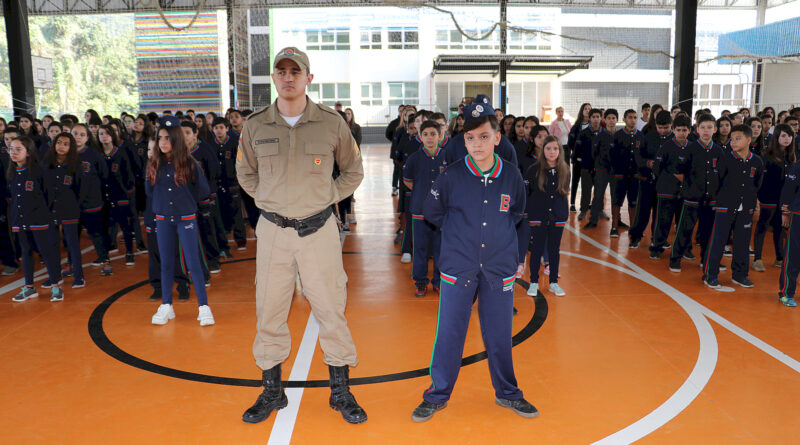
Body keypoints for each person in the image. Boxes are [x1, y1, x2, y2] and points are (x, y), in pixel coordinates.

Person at [237, 47, 367, 425]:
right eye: (282, 71)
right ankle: (272, 392)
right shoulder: (256, 125)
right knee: (269, 310)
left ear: (309, 78)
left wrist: (327, 197)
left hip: (319, 231)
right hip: (274, 232)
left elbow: (353, 171)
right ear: (274, 78)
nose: (289, 77)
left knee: (331, 309)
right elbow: (245, 173)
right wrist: (267, 199)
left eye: (297, 71)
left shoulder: (330, 123)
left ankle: (340, 391)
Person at [411, 101, 537, 423]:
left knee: (499, 335)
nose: (476, 144)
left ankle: (508, 393)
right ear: (462, 140)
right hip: (459, 269)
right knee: (450, 334)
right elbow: (432, 213)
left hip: (498, 270)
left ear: (497, 137)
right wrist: (458, 236)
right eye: (470, 138)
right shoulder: (451, 176)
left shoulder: (511, 175)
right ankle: (437, 394)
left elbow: (519, 215)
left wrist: (513, 255)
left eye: (483, 137)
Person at [147, 116, 214, 325]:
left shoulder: (189, 163)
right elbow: (149, 191)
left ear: (176, 139)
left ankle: (204, 307)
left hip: (186, 217)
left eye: (167, 138)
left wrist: (185, 202)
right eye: (160, 138)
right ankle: (167, 305)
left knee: (193, 262)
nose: (163, 142)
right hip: (163, 218)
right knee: (166, 262)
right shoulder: (154, 164)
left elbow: (202, 190)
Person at [703, 124, 764, 289]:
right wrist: (718, 202)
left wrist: (752, 202)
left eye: (738, 139)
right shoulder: (725, 159)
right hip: (725, 207)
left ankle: (740, 275)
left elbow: (757, 184)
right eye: (732, 139)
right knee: (718, 241)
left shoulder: (757, 162)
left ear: (749, 140)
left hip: (746, 208)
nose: (733, 142)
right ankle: (710, 275)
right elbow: (717, 182)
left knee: (743, 242)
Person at [8, 136, 64, 302]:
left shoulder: (40, 172)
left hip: (39, 220)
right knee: (26, 253)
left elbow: (50, 196)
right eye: (11, 149)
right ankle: (29, 287)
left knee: (46, 252)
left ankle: (55, 286)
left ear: (29, 152)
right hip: (19, 220)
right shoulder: (12, 173)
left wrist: (48, 217)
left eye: (18, 149)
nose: (14, 152)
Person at [668, 114, 723, 272]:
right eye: (703, 127)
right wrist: (690, 185)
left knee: (707, 232)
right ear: (697, 129)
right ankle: (675, 259)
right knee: (684, 230)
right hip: (691, 198)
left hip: (711, 200)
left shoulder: (718, 151)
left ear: (715, 129)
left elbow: (722, 174)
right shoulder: (690, 149)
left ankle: (705, 259)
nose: (706, 131)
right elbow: (678, 171)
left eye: (710, 127)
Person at [403, 120, 447, 297]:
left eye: (433, 134)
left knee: (440, 248)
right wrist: (424, 194)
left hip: (440, 212)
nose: (430, 138)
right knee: (420, 248)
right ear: (420, 137)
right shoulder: (414, 158)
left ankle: (438, 281)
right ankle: (421, 282)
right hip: (419, 211)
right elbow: (408, 181)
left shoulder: (446, 156)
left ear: (440, 136)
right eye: (426, 134)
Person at [525, 135, 569, 297]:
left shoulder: (565, 170)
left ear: (560, 150)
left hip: (557, 216)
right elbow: (527, 194)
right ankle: (534, 282)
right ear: (543, 150)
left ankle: (553, 283)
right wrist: (528, 214)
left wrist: (563, 215)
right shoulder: (533, 170)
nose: (552, 152)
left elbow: (564, 194)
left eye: (555, 149)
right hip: (538, 215)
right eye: (548, 148)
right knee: (536, 249)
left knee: (554, 250)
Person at [42, 133, 86, 288]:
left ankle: (79, 276)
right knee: (52, 244)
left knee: (72, 243)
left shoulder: (76, 164)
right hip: (50, 210)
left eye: (66, 144)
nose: (61, 146)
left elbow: (80, 190)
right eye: (58, 142)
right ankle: (55, 276)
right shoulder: (46, 163)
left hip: (69, 209)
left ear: (71, 147)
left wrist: (75, 205)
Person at [753, 124, 795, 272]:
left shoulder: (792, 158)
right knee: (762, 227)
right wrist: (757, 198)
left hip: (783, 202)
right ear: (776, 137)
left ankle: (779, 257)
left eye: (789, 136)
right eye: (783, 135)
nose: (787, 139)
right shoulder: (767, 157)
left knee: (780, 229)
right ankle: (757, 258)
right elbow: (759, 179)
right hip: (767, 199)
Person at [182, 120, 221, 275]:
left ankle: (213, 260)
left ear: (195, 133)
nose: (184, 136)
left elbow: (214, 172)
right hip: (186, 199)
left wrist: (207, 191)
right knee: (190, 232)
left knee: (208, 229)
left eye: (187, 133)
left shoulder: (204, 149)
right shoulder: (177, 152)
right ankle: (194, 262)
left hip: (204, 196)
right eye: (181, 133)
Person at [72, 123, 112, 276]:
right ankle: (71, 264)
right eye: (75, 133)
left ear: (87, 138)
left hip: (92, 202)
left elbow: (104, 176)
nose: (78, 137)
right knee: (72, 236)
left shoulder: (94, 155)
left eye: (82, 134)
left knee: (96, 233)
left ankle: (105, 260)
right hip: (71, 205)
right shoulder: (64, 155)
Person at [649, 115, 691, 260]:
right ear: (673, 130)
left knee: (683, 222)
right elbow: (657, 168)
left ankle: (684, 248)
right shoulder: (666, 146)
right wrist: (670, 176)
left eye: (684, 130)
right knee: (663, 221)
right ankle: (656, 247)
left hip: (685, 192)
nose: (681, 133)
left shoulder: (692, 147)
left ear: (689, 131)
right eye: (678, 130)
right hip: (666, 191)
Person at [98, 124, 136, 265]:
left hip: (120, 195)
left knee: (125, 226)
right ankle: (105, 255)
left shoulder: (120, 153)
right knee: (105, 227)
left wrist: (128, 192)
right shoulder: (98, 154)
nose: (104, 136)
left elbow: (128, 175)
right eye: (101, 134)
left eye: (107, 133)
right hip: (104, 197)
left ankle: (129, 252)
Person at [609, 109, 643, 237]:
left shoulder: (640, 135)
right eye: (630, 117)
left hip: (635, 175)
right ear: (624, 119)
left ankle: (633, 227)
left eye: (635, 117)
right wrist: (616, 171)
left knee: (633, 201)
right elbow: (612, 155)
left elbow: (643, 155)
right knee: (617, 201)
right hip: (620, 175)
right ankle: (614, 227)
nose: (632, 120)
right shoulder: (617, 135)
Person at [574, 108, 603, 221]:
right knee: (586, 190)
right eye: (593, 117)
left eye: (598, 117)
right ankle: (583, 211)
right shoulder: (583, 133)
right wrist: (578, 161)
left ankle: (599, 210)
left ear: (601, 118)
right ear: (590, 118)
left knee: (599, 191)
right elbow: (577, 150)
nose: (596, 119)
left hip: (601, 169)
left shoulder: (604, 133)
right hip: (586, 168)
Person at [568, 103, 591, 211]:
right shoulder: (576, 127)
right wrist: (577, 153)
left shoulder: (594, 126)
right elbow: (571, 143)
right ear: (582, 111)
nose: (587, 110)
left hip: (590, 160)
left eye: (589, 109)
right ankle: (572, 203)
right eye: (585, 109)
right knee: (575, 181)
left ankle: (586, 203)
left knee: (588, 183)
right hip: (578, 159)